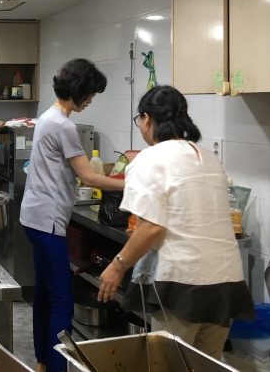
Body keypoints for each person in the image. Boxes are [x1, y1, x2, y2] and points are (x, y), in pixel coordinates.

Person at [97, 85, 254, 359]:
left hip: (185, 283)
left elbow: (151, 227)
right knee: (207, 364)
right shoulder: (208, 157)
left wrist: (117, 266)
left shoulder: (149, 159)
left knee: (169, 364)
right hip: (226, 282)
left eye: (139, 119)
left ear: (147, 119)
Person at [20, 59, 124, 372]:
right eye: (90, 93)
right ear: (79, 90)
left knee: (44, 295)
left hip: (34, 218)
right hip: (48, 222)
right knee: (63, 302)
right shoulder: (64, 126)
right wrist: (132, 182)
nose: (91, 100)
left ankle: (42, 362)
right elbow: (88, 177)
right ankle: (54, 367)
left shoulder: (47, 117)